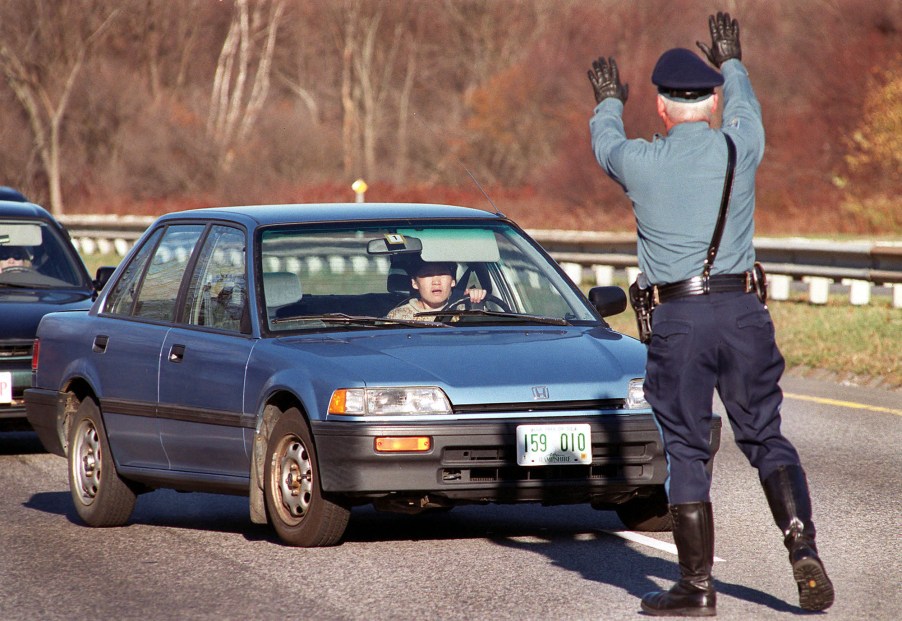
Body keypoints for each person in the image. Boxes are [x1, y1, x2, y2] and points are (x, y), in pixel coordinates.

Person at [587, 12, 833, 616]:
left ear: (663, 108)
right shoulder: (738, 146)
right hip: (743, 310)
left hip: (680, 319)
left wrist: (608, 102)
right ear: (712, 102)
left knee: (688, 449)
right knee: (765, 436)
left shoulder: (641, 161)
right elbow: (749, 108)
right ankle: (803, 552)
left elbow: (605, 145)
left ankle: (696, 588)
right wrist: (733, 60)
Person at [386, 259, 486, 321]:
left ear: (453, 281)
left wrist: (476, 301)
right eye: (427, 275)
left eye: (442, 274)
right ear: (414, 283)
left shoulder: (465, 309)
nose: (436, 282)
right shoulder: (398, 316)